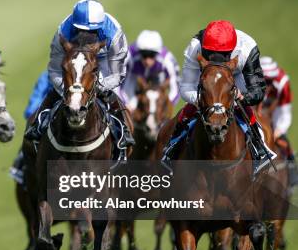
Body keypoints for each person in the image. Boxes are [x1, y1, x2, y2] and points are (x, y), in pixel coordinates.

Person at [24, 0, 135, 160]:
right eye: (80, 30)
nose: (86, 35)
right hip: (73, 63)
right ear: (74, 25)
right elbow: (55, 69)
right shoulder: (63, 32)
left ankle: (124, 132)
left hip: (104, 65)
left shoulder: (114, 34)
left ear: (101, 26)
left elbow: (118, 73)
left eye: (92, 31)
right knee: (53, 95)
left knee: (113, 99)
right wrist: (70, 90)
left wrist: (95, 87)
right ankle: (36, 127)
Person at [161, 20, 275, 174]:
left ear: (233, 49)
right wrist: (204, 99)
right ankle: (172, 144)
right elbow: (186, 87)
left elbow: (258, 90)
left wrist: (241, 97)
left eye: (223, 54)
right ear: (204, 47)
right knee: (188, 109)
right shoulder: (195, 46)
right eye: (211, 53)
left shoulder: (247, 47)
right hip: (206, 78)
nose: (217, 57)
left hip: (237, 77)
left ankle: (259, 146)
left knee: (245, 110)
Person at [10, 70, 53, 184]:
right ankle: (21, 165)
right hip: (48, 115)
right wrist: (35, 115)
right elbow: (36, 99)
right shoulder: (48, 75)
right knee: (31, 135)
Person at [260, 56, 297, 185]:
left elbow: (285, 113)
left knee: (282, 140)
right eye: (265, 80)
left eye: (270, 81)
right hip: (256, 108)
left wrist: (278, 131)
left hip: (274, 110)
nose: (267, 84)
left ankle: (292, 170)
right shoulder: (249, 79)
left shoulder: (282, 83)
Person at [121, 30, 180, 110]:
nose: (147, 60)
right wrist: (126, 104)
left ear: (158, 53)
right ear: (139, 52)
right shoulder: (129, 56)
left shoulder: (167, 60)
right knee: (130, 108)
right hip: (134, 78)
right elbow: (120, 85)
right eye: (144, 55)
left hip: (157, 78)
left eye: (152, 55)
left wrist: (166, 106)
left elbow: (176, 87)